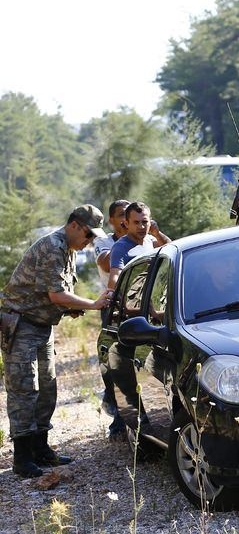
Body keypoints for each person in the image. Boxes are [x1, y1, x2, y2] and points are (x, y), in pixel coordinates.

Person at [0, 204, 112, 478]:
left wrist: (72, 306)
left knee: (47, 388)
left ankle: (40, 449)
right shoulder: (53, 247)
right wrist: (94, 304)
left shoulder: (68, 249)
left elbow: (57, 294)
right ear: (74, 225)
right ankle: (23, 458)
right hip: (21, 324)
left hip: (40, 326)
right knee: (24, 389)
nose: (89, 241)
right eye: (87, 235)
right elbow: (56, 295)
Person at [92, 199, 130, 438]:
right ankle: (116, 415)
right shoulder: (104, 241)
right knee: (111, 358)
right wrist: (127, 240)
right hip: (112, 305)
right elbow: (105, 262)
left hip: (141, 304)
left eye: (130, 215)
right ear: (111, 220)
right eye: (121, 215)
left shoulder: (143, 237)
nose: (126, 219)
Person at [107, 201, 170, 289]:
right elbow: (114, 280)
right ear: (126, 223)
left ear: (150, 222)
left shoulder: (151, 240)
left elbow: (172, 249)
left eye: (144, 222)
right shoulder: (120, 247)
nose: (141, 227)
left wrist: (157, 233)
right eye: (136, 222)